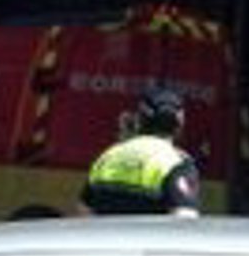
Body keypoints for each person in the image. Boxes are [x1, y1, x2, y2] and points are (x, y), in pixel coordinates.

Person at [80, 85, 201, 216]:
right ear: (180, 124)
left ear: (139, 121)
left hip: (103, 230)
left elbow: (83, 211)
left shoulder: (108, 156)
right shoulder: (176, 162)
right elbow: (184, 216)